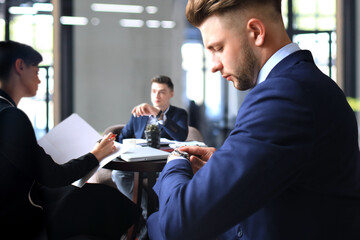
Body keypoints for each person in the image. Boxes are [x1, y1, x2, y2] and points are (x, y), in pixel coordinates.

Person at [146, 1, 360, 240]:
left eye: (218, 47)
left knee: (154, 224)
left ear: (256, 32)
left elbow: (179, 225)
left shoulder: (283, 95)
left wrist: (176, 162)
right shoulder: (304, 84)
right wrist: (224, 164)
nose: (214, 65)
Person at [0, 40, 141, 240]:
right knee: (107, 200)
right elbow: (54, 176)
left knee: (94, 197)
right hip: (20, 215)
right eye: (37, 70)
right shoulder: (11, 116)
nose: (39, 80)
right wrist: (96, 154)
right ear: (20, 66)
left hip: (17, 202)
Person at [112, 76, 188, 235]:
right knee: (118, 173)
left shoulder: (179, 114)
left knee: (168, 177)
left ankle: (157, 223)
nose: (157, 96)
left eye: (162, 92)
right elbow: (123, 137)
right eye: (154, 91)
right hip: (140, 162)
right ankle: (146, 213)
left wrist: (159, 114)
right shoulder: (139, 114)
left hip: (163, 164)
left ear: (171, 94)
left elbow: (180, 136)